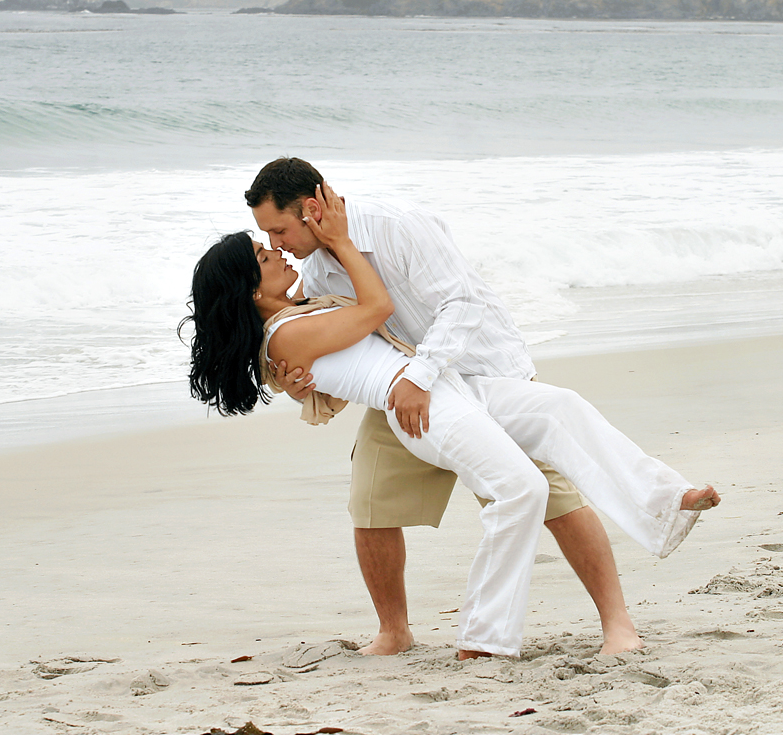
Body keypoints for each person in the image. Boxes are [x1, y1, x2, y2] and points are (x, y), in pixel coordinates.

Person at [183, 184, 719, 659]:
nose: (275, 245)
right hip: (418, 400)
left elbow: (412, 321)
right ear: (253, 288)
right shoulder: (298, 309)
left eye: (275, 231)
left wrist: (308, 380)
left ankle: (665, 500)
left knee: (562, 411)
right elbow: (366, 320)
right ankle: (473, 639)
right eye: (263, 246)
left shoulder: (379, 238)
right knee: (515, 492)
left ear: (312, 208)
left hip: (463, 374)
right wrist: (304, 379)